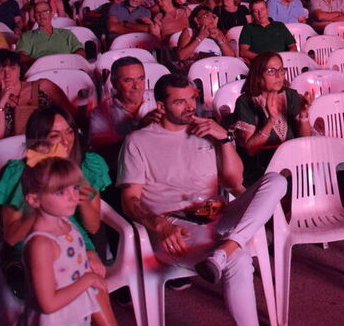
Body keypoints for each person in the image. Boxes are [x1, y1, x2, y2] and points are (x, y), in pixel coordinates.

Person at [118, 73, 286, 326]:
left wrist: (225, 139)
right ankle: (228, 252)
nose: (190, 107)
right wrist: (159, 225)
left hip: (217, 215)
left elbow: (233, 181)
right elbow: (129, 199)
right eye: (179, 102)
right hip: (176, 227)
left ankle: (225, 250)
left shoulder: (207, 131)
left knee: (276, 180)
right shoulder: (138, 141)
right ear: (161, 107)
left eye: (192, 100)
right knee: (238, 258)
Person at [0, 107, 114, 321]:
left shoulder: (87, 165)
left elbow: (93, 227)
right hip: (33, 245)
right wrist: (37, 208)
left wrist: (83, 196)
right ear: (38, 141)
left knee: (91, 279)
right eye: (54, 136)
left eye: (69, 131)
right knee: (85, 282)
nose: (66, 141)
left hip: (75, 241)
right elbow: (11, 237)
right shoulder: (20, 172)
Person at [19, 157, 116, 325]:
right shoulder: (41, 245)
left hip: (75, 312)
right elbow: (48, 304)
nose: (73, 197)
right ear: (34, 199)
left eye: (75, 187)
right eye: (60, 192)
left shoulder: (66, 224)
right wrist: (89, 280)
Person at [232, 52, 311, 184]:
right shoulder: (245, 102)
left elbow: (304, 140)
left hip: (293, 163)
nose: (278, 75)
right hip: (261, 169)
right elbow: (251, 150)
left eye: (281, 70)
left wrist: (303, 116)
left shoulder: (291, 95)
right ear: (257, 76)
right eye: (270, 71)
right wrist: (271, 121)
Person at [0, 49, 72, 143]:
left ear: (19, 69)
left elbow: (72, 116)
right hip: (12, 152)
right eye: (1, 71)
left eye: (12, 68)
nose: (7, 75)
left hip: (51, 144)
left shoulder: (43, 86)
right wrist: (1, 102)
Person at [16, 0, 85, 66]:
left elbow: (80, 50)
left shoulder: (66, 33)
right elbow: (21, 56)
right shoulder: (27, 36)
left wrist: (71, 61)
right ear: (34, 16)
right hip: (40, 70)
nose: (41, 15)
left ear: (52, 14)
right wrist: (40, 63)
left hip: (66, 67)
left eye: (45, 11)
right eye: (38, 12)